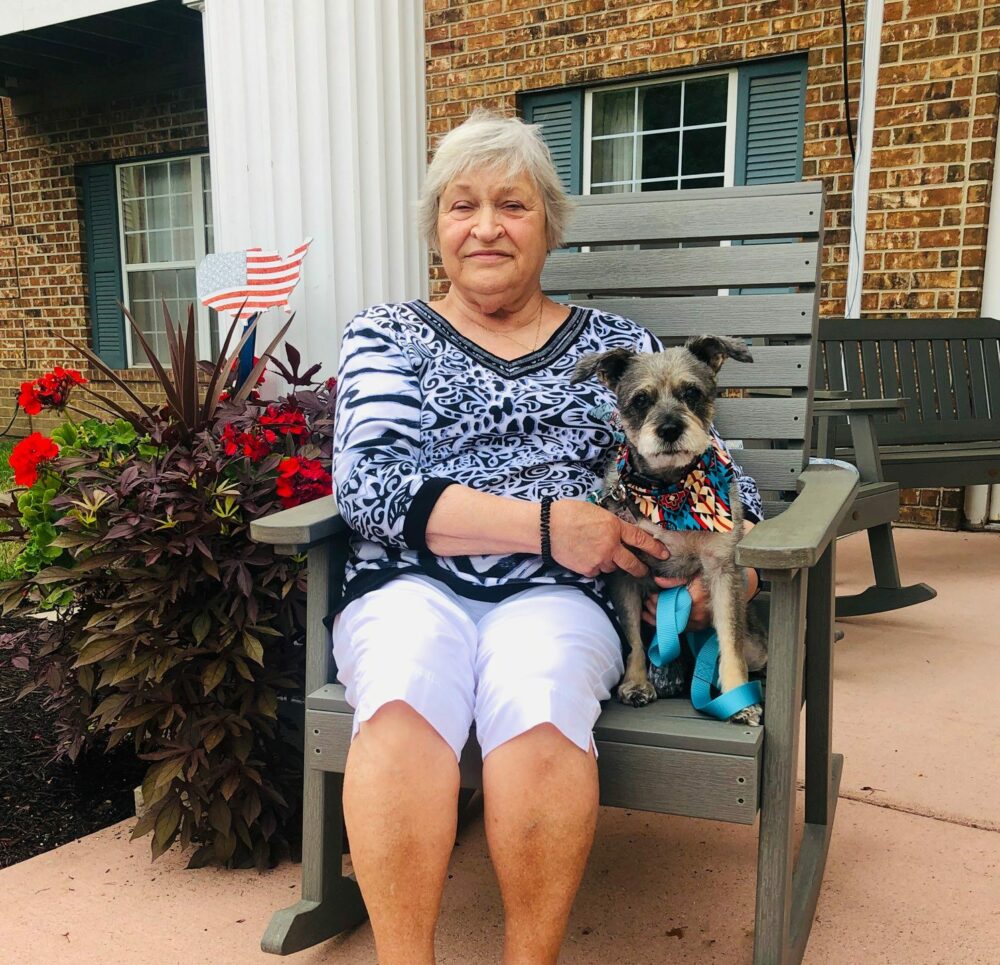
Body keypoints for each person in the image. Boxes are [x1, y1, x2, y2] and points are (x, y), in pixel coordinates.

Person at [330, 110, 762, 964]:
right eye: (462, 205)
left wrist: (734, 571)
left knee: (540, 694)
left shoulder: (617, 345)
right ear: (436, 227)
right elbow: (368, 485)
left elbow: (713, 475)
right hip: (410, 577)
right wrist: (544, 524)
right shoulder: (386, 334)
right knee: (406, 686)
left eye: (512, 205)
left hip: (568, 590)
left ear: (549, 226)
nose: (486, 226)